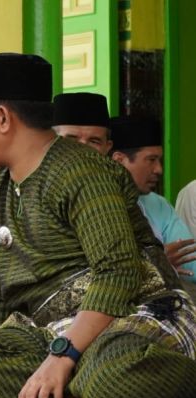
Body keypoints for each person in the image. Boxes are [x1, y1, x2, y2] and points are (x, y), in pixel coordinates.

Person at [0, 53, 196, 398]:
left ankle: (80, 386)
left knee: (110, 377)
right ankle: (75, 390)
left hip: (130, 318)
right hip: (51, 332)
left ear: (3, 118)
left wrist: (61, 358)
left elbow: (118, 272)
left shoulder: (82, 171)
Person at [52, 94, 196, 283]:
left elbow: (190, 267)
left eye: (94, 141)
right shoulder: (36, 199)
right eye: (71, 139)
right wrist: (154, 264)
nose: (82, 151)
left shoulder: (151, 205)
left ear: (106, 147)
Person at [109, 117, 196, 281]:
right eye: (151, 160)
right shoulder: (92, 206)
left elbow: (191, 267)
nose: (158, 169)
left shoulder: (158, 205)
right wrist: (153, 263)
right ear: (119, 161)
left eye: (159, 160)